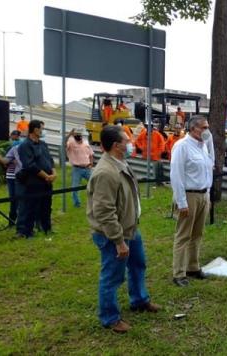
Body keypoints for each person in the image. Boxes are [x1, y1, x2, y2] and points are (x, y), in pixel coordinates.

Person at [87, 125, 160, 333]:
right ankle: (109, 317)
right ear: (116, 145)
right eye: (127, 141)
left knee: (138, 264)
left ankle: (139, 299)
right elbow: (103, 211)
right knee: (112, 276)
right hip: (114, 234)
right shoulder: (105, 172)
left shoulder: (120, 163)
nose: (130, 144)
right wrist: (118, 241)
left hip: (130, 228)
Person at [169, 116, 214, 286]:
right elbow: (177, 175)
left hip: (203, 195)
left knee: (197, 234)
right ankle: (178, 273)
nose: (206, 131)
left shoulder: (202, 146)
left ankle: (193, 267)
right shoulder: (182, 146)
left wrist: (207, 193)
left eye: (207, 127)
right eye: (204, 127)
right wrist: (181, 202)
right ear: (193, 128)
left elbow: (208, 169)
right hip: (189, 195)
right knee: (183, 235)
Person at [16, 120, 56, 238]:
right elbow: (30, 165)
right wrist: (46, 176)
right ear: (35, 129)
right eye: (41, 128)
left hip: (47, 182)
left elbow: (50, 159)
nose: (42, 131)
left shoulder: (43, 144)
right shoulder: (25, 145)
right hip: (34, 182)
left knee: (46, 206)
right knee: (31, 207)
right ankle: (27, 231)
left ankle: (46, 228)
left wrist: (53, 173)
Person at [0, 130, 23, 226]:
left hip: (18, 176)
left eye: (16, 135)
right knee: (14, 200)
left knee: (16, 199)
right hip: (12, 176)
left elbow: (5, 161)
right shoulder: (13, 146)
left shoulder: (17, 145)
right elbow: (6, 161)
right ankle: (13, 222)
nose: (14, 136)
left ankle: (16, 222)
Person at [66, 128, 94, 208]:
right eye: (77, 135)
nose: (79, 136)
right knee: (75, 188)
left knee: (94, 184)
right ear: (74, 136)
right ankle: (77, 204)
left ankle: (94, 201)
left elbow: (91, 154)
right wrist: (70, 134)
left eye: (80, 135)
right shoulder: (71, 143)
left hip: (87, 168)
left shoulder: (85, 143)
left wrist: (91, 164)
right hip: (77, 169)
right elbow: (64, 143)